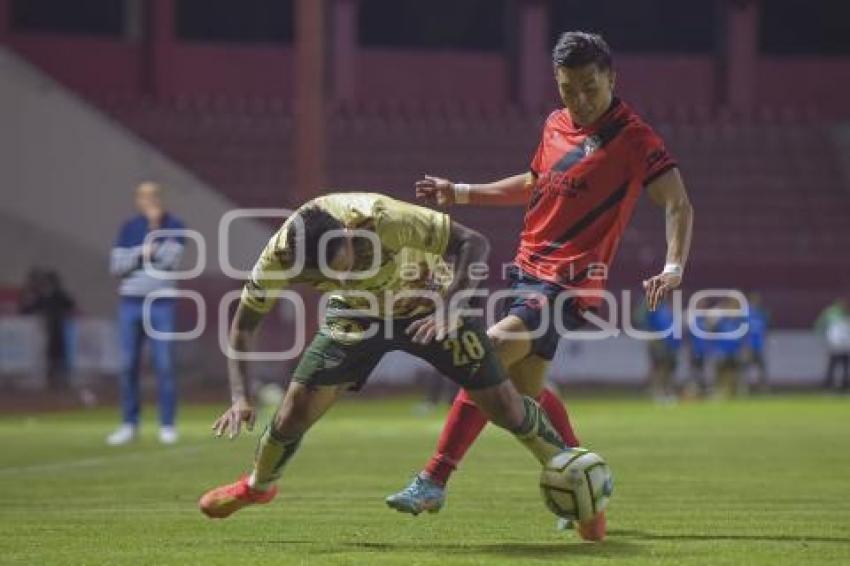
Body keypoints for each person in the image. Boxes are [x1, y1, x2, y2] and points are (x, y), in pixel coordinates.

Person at [386, 31, 694, 541]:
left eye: (590, 87)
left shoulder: (636, 139)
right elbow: (532, 184)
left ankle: (434, 479)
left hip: (569, 282)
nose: (578, 100)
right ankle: (588, 503)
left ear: (612, 79)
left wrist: (673, 266)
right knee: (525, 393)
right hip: (526, 272)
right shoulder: (555, 124)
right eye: (568, 89)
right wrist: (459, 191)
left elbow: (678, 203)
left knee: (483, 354)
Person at [198, 193, 568, 523]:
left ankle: (572, 475)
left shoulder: (385, 218)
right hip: (356, 315)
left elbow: (474, 242)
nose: (347, 276)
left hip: (429, 303)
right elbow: (244, 327)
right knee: (295, 409)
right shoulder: (278, 257)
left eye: (348, 265)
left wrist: (452, 303)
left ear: (346, 233)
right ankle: (258, 487)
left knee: (504, 405)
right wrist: (241, 396)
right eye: (331, 277)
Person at [106, 182, 186, 445]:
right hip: (130, 302)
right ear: (137, 200)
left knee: (164, 364)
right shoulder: (129, 228)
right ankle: (130, 423)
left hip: (161, 303)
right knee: (128, 365)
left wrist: (152, 235)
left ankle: (167, 424)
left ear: (162, 199)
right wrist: (144, 252)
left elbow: (170, 259)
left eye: (153, 196)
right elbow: (117, 266)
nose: (149, 200)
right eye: (144, 196)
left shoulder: (175, 225)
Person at [18, 268, 76, 390]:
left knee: (58, 352)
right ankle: (52, 377)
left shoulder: (58, 295)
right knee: (51, 353)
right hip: (49, 328)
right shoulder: (45, 296)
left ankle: (60, 377)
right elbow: (31, 308)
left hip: (57, 327)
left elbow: (70, 304)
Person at [815, 299, 850, 391]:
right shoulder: (832, 315)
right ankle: (832, 384)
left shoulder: (836, 315)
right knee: (836, 365)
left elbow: (820, 325)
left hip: (842, 345)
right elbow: (820, 325)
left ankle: (838, 384)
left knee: (838, 366)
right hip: (837, 344)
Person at [744, 292, 770, 392]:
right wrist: (745, 345)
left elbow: (764, 330)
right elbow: (743, 331)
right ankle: (744, 388)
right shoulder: (746, 313)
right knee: (746, 368)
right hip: (749, 346)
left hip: (759, 345)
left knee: (761, 367)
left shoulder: (761, 313)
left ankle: (762, 388)